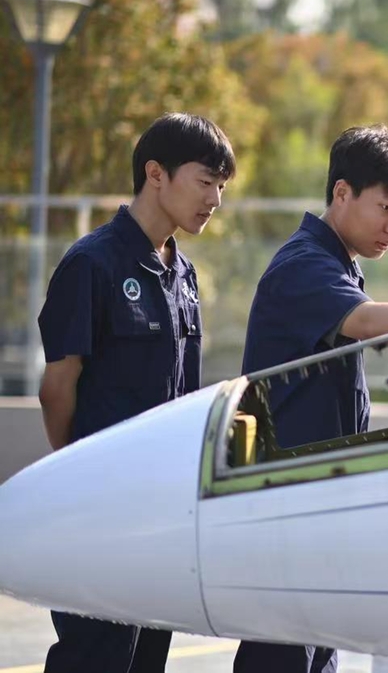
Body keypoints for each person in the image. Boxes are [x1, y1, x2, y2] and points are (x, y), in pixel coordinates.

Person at [236, 125, 388, 673]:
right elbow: (369, 321)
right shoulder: (304, 263)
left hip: (317, 493)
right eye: (386, 208)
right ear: (342, 193)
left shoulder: (339, 263)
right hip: (284, 493)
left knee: (315, 646)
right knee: (282, 651)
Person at [37, 113, 235, 673]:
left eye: (222, 185)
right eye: (205, 181)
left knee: (147, 656)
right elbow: (58, 388)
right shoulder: (91, 264)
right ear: (155, 173)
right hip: (100, 502)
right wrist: (80, 469)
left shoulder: (184, 275)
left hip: (164, 505)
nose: (216, 198)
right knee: (96, 654)